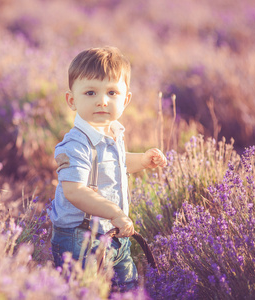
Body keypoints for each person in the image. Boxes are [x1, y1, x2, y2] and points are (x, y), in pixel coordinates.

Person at [47, 46, 168, 292]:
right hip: (79, 239)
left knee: (127, 288)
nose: (102, 100)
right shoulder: (75, 145)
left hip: (115, 232)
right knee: (83, 290)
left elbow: (118, 165)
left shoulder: (113, 133)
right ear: (72, 100)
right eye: (90, 92)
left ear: (126, 100)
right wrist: (114, 212)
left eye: (112, 92)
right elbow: (75, 190)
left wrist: (143, 161)